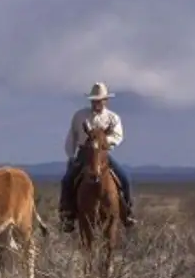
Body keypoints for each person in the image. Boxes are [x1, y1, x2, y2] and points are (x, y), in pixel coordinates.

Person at [59, 82, 137, 233]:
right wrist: (71, 156)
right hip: (83, 153)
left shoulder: (113, 118)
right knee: (67, 180)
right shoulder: (80, 116)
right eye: (94, 100)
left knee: (124, 178)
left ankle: (127, 214)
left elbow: (118, 135)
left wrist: (104, 143)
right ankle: (67, 215)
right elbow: (72, 137)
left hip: (102, 153)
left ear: (105, 101)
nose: (96, 103)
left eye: (100, 100)